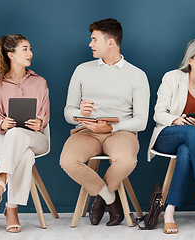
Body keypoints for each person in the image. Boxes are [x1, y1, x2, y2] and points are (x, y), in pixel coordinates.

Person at [60, 18, 150, 227]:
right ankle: (111, 199)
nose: (90, 44)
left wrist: (111, 127)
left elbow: (141, 121)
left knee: (127, 160)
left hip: (121, 133)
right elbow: (67, 111)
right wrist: (78, 113)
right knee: (67, 161)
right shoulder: (82, 70)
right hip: (86, 130)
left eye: (94, 39)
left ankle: (100, 197)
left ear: (111, 42)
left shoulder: (137, 76)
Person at [148, 39, 195, 234]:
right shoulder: (171, 78)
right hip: (168, 135)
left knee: (185, 150)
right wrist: (176, 120)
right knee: (190, 133)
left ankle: (169, 213)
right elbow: (158, 113)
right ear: (190, 60)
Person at [0, 34, 50, 233]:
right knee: (23, 151)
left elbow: (45, 117)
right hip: (5, 140)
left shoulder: (40, 82)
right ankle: (11, 209)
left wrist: (39, 122)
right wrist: (3, 123)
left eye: (30, 48)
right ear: (11, 55)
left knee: (19, 136)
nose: (30, 53)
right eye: (25, 49)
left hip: (36, 139)